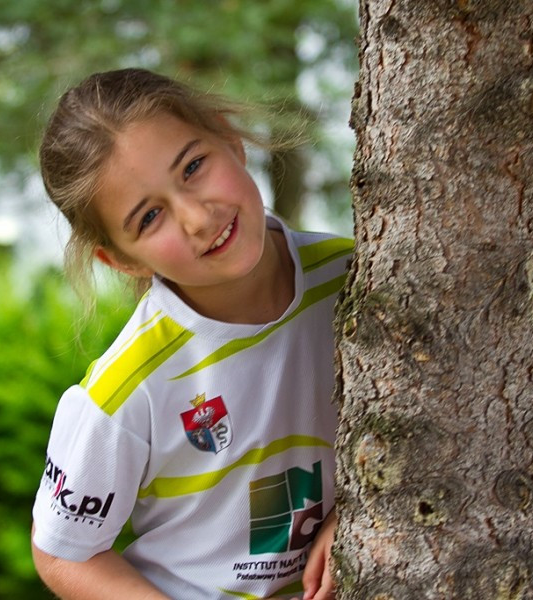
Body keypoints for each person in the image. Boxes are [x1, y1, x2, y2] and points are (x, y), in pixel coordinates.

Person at [30, 67, 350, 600]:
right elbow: (61, 551)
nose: (198, 218)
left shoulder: (358, 278)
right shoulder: (127, 388)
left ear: (230, 138)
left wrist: (358, 520)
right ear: (123, 261)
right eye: (149, 217)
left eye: (193, 167)